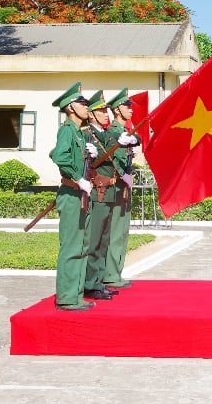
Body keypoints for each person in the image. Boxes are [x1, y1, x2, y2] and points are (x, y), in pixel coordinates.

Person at [49, 82, 97, 311]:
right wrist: (78, 178)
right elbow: (59, 156)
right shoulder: (67, 129)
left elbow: (56, 152)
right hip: (72, 193)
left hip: (81, 194)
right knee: (71, 247)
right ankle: (67, 297)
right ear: (70, 107)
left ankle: (76, 294)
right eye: (82, 103)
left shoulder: (79, 133)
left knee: (82, 245)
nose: (87, 107)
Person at [102, 88, 140, 289]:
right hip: (116, 186)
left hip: (123, 185)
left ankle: (115, 272)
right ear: (117, 110)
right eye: (127, 106)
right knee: (116, 230)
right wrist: (123, 174)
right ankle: (111, 274)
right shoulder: (114, 131)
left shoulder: (123, 131)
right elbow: (112, 157)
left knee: (122, 230)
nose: (131, 110)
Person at [82, 90, 118, 301]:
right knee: (94, 239)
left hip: (109, 190)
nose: (107, 114)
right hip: (97, 192)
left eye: (106, 110)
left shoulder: (105, 135)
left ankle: (99, 280)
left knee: (104, 239)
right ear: (92, 114)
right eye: (101, 111)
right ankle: (90, 283)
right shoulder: (87, 135)